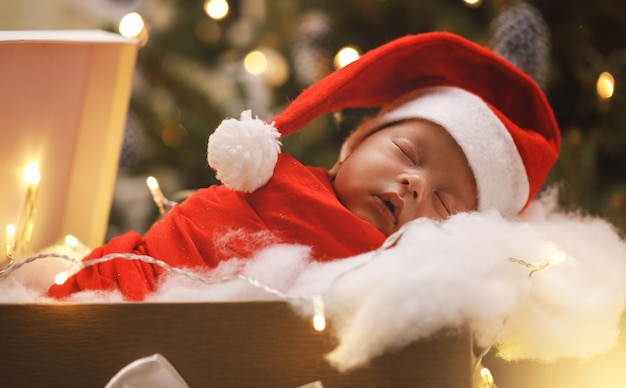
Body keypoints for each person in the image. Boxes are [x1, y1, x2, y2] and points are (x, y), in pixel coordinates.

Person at [47, 31, 560, 301]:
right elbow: (184, 237)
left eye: (446, 201)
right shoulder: (268, 187)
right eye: (406, 154)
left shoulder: (413, 282)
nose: (416, 183)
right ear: (353, 147)